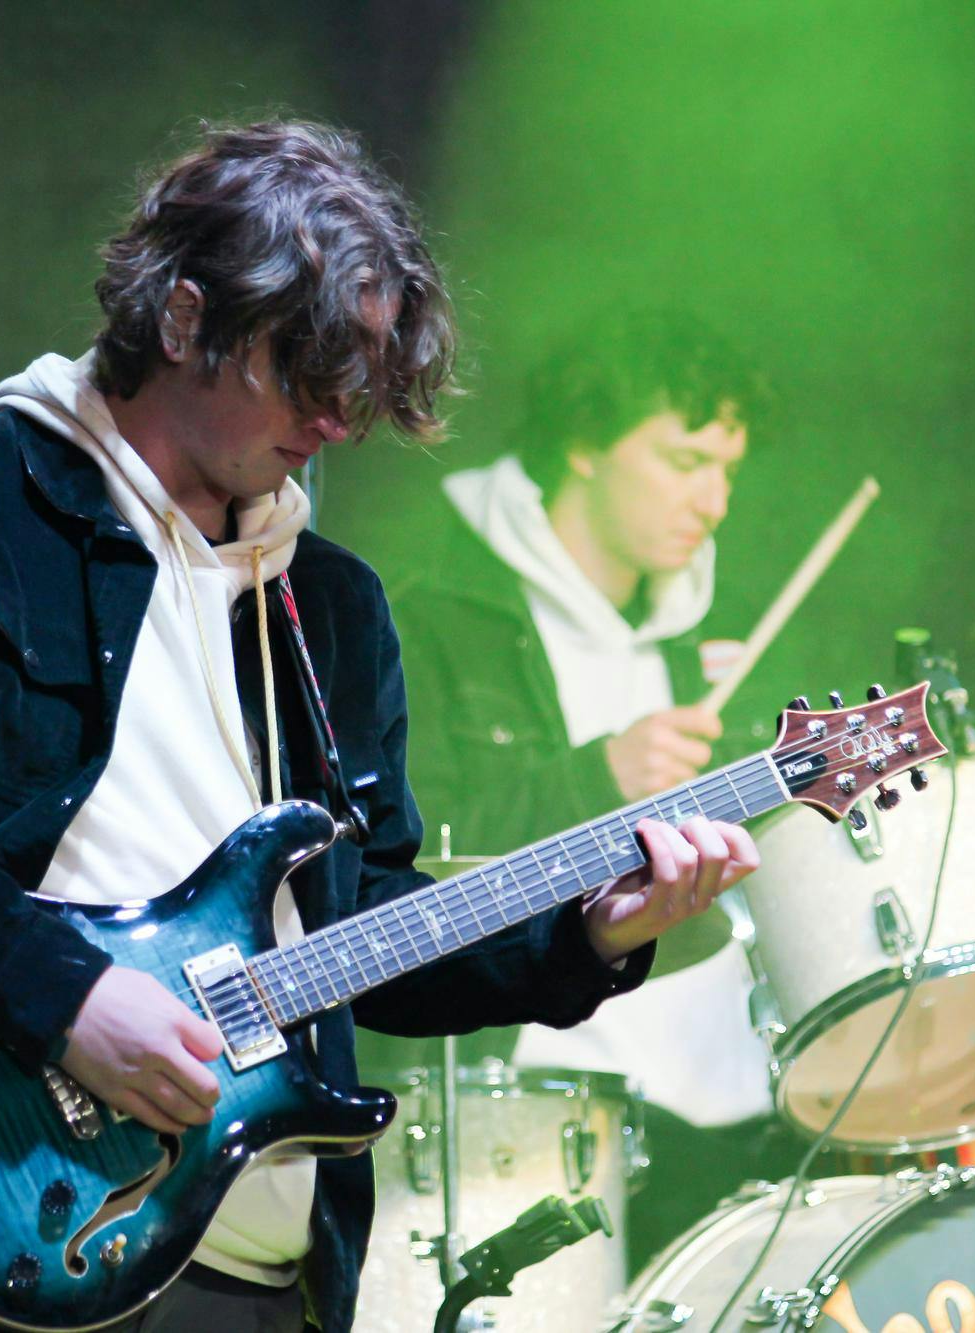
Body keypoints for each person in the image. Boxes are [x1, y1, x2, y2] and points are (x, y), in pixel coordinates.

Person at [0, 121, 757, 1332]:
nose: (338, 415)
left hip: (256, 1267)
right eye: (309, 366)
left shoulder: (330, 606)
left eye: (363, 380)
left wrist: (586, 941)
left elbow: (368, 924)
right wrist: (63, 997)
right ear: (181, 316)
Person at [389, 314, 808, 1267]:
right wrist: (597, 775)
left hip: (723, 1102)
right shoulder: (441, 621)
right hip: (535, 1102)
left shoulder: (708, 626)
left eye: (728, 472)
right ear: (583, 446)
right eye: (683, 459)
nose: (714, 503)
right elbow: (406, 869)